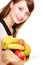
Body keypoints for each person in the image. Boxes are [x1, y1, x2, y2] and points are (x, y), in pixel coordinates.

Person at [0, 0, 34, 65]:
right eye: (20, 9)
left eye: (26, 13)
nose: (22, 15)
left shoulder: (14, 30)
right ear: (11, 4)